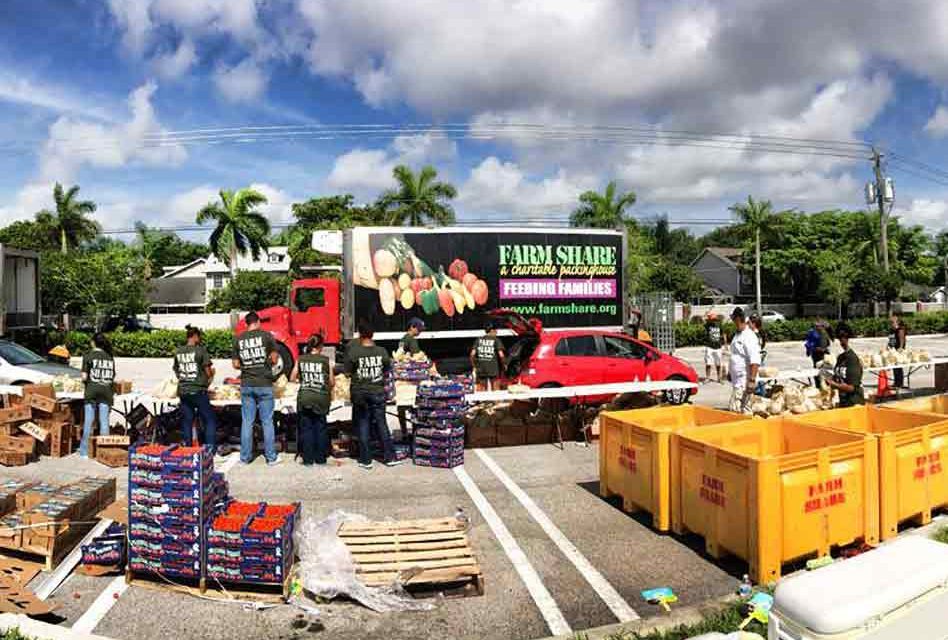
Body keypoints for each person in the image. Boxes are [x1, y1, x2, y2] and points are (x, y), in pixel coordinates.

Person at [345, 320, 400, 469]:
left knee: (363, 424)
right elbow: (387, 369)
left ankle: (365, 460)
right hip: (378, 391)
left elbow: (348, 372)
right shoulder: (382, 351)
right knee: (382, 423)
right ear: (372, 334)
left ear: (359, 334)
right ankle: (389, 457)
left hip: (360, 392)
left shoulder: (354, 352)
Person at [232, 311, 280, 466]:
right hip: (264, 383)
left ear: (246, 323)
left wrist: (248, 364)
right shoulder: (267, 336)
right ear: (258, 322)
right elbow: (274, 359)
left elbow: (235, 364)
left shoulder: (238, 339)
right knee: (267, 422)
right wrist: (266, 363)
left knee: (247, 422)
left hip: (247, 384)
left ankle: (245, 458)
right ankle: (271, 458)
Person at [291, 334, 334, 466]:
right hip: (321, 397)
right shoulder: (326, 360)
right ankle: (320, 459)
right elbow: (332, 382)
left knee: (306, 428)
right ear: (320, 346)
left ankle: (308, 459)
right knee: (320, 428)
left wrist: (304, 379)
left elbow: (292, 377)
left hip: (305, 397)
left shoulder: (301, 359)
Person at [174, 326, 217, 453]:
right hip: (198, 390)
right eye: (199, 337)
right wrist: (210, 375)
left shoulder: (178, 351)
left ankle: (187, 449)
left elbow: (177, 371)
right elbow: (208, 372)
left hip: (183, 391)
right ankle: (210, 450)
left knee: (187, 420)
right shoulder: (201, 351)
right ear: (195, 336)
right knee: (209, 419)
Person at [80, 333, 115, 458]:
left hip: (92, 391)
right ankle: (104, 452)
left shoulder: (88, 356)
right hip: (106, 391)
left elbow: (84, 377)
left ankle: (84, 452)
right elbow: (112, 376)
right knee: (104, 422)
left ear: (93, 342)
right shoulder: (109, 357)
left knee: (89, 421)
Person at [728, 307, 761, 414]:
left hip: (744, 382)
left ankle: (748, 429)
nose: (733, 322)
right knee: (740, 410)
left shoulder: (749, 336)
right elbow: (735, 356)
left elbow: (754, 360)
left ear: (738, 319)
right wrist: (731, 372)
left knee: (736, 410)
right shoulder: (737, 335)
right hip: (737, 381)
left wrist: (752, 380)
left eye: (734, 319)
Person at [826, 322, 864, 407]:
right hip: (843, 401)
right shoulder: (840, 357)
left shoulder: (852, 359)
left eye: (843, 338)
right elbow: (837, 375)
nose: (841, 340)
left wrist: (834, 384)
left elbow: (852, 387)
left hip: (854, 402)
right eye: (839, 338)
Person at [471, 323, 506, 391]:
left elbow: (472, 354)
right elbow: (501, 355)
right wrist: (504, 364)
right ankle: (496, 401)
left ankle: (482, 401)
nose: (497, 332)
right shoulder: (496, 340)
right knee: (496, 389)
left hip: (481, 368)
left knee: (481, 389)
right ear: (492, 330)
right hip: (493, 368)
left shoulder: (478, 340)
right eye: (496, 330)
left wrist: (474, 365)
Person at [805, 320, 832, 387]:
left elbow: (828, 343)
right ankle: (818, 386)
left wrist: (824, 349)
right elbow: (808, 344)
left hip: (824, 355)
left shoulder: (824, 333)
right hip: (816, 355)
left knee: (826, 371)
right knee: (817, 371)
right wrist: (812, 349)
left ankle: (826, 385)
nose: (819, 327)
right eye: (817, 326)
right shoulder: (812, 333)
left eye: (820, 326)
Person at [703, 313, 725, 383]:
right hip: (709, 346)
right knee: (708, 363)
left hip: (718, 346)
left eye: (714, 319)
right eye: (712, 319)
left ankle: (719, 378)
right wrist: (708, 316)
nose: (713, 321)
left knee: (718, 364)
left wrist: (725, 344)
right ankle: (707, 378)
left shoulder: (719, 325)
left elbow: (723, 334)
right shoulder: (707, 325)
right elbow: (704, 319)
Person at [889, 313, 908, 388]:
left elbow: (902, 339)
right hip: (892, 350)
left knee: (898, 367)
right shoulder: (892, 330)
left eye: (893, 321)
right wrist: (888, 347)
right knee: (895, 367)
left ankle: (900, 383)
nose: (891, 322)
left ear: (897, 321)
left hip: (898, 350)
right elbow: (890, 339)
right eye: (891, 322)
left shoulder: (900, 329)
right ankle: (896, 382)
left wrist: (901, 348)